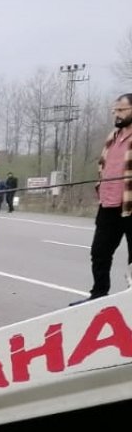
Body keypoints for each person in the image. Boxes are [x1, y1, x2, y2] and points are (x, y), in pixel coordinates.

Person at [76, 93, 132, 304]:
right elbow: (103, 165)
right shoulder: (113, 136)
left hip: (129, 205)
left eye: (121, 110)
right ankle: (98, 295)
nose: (116, 114)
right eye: (114, 110)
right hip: (108, 204)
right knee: (99, 252)